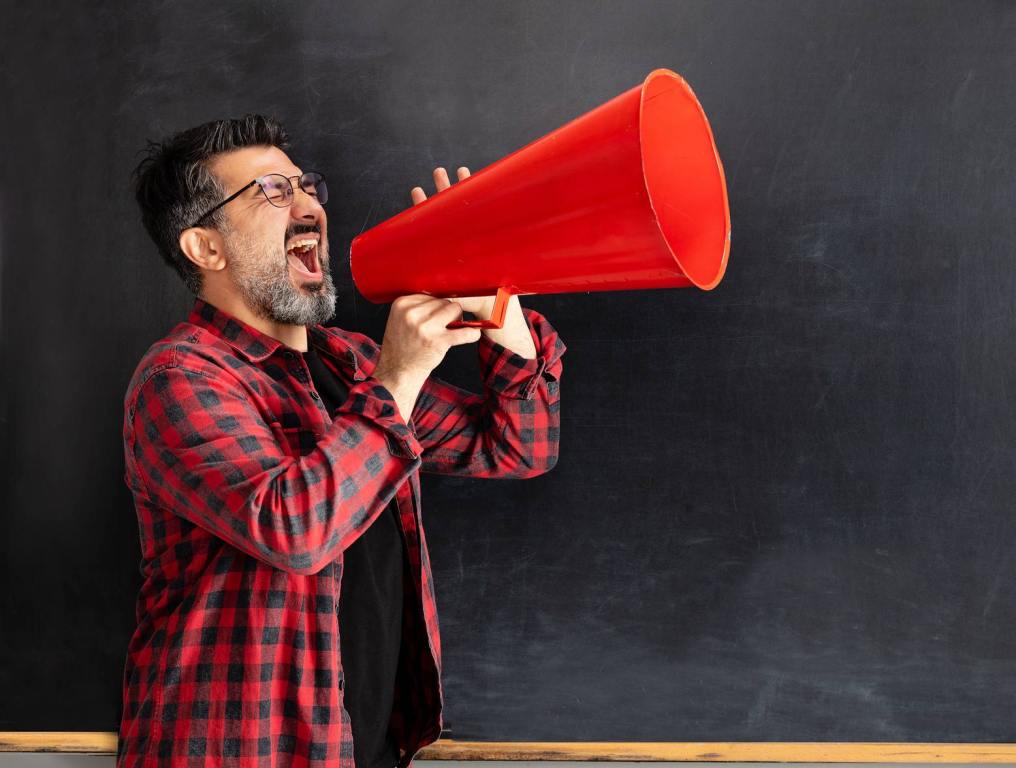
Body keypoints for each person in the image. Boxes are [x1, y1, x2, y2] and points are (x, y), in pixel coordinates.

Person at [118, 114, 566, 768]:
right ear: (205, 249)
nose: (309, 207)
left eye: (306, 186)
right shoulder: (179, 380)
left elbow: (518, 447)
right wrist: (401, 375)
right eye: (272, 191)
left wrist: (497, 299)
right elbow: (295, 529)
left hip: (364, 745)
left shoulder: (354, 364)